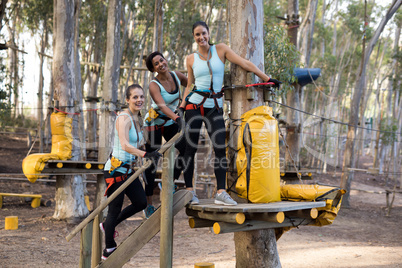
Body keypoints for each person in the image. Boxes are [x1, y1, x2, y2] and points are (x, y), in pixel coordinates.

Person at [178, 21, 281, 206]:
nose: (201, 37)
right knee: (190, 149)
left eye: (203, 33)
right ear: (194, 37)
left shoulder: (221, 50)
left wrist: (267, 78)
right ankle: (189, 191)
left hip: (214, 106)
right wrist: (182, 105)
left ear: (208, 33)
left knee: (219, 148)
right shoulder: (190, 59)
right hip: (193, 106)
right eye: (197, 35)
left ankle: (221, 192)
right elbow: (190, 85)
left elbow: (244, 63)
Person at [100, 84, 162, 260]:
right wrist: (145, 154)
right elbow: (126, 144)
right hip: (115, 170)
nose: (139, 100)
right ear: (127, 100)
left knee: (141, 202)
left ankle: (108, 226)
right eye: (135, 97)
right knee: (114, 209)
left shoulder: (137, 118)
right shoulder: (123, 118)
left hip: (128, 170)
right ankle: (109, 249)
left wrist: (152, 149)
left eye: (141, 96)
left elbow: (139, 143)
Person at [142, 51, 189, 218]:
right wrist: (177, 117)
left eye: (161, 60)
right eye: (156, 64)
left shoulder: (176, 75)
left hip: (170, 121)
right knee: (152, 162)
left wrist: (183, 104)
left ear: (165, 59)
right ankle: (148, 205)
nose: (161, 64)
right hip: (154, 123)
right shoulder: (154, 85)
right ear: (153, 69)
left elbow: (192, 85)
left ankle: (168, 182)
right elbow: (161, 105)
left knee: (186, 149)